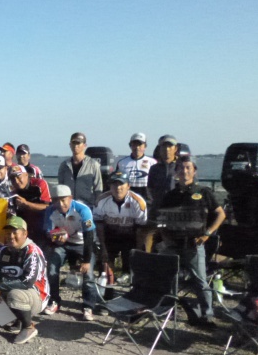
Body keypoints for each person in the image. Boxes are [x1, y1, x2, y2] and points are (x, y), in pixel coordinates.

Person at [159, 156, 226, 325]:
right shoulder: (170, 195)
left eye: (188, 167)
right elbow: (160, 218)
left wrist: (207, 233)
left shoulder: (204, 192)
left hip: (194, 245)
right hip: (173, 244)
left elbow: (220, 214)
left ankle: (207, 315)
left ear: (194, 171)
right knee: (168, 278)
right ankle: (167, 310)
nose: (184, 171)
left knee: (200, 281)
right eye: (180, 168)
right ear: (176, 172)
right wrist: (164, 235)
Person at [0, 217, 49, 345]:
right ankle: (16, 320)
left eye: (15, 232)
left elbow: (27, 282)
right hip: (9, 290)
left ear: (25, 234)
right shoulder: (3, 250)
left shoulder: (32, 251)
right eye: (8, 233)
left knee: (15, 296)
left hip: (36, 295)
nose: (11, 236)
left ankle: (28, 327)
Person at [42, 184, 99, 321]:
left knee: (89, 274)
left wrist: (86, 261)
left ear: (70, 198)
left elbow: (89, 236)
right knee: (51, 269)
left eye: (63, 200)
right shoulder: (50, 211)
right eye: (56, 200)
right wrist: (55, 238)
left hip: (82, 243)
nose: (60, 204)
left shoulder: (83, 210)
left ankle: (88, 306)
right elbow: (48, 233)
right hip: (64, 244)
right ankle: (54, 300)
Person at [93, 171, 147, 281]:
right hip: (110, 236)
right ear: (109, 186)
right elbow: (99, 225)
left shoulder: (138, 202)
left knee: (135, 268)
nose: (118, 188)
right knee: (105, 274)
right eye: (114, 184)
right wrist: (103, 248)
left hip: (130, 236)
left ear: (128, 186)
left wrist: (137, 251)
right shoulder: (101, 200)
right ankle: (107, 280)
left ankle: (129, 272)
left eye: (121, 184)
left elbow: (141, 229)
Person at [146, 135, 180, 252]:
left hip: (177, 216)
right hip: (157, 215)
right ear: (159, 149)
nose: (167, 149)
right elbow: (150, 191)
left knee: (174, 246)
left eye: (170, 146)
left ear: (175, 148)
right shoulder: (154, 169)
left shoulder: (182, 167)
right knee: (153, 246)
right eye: (164, 146)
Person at [57, 132, 103, 210]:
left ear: (84, 145)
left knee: (87, 223)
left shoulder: (93, 165)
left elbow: (98, 188)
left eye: (78, 143)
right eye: (73, 143)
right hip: (68, 207)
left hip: (87, 207)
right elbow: (60, 187)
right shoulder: (64, 165)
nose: (75, 145)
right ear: (70, 145)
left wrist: (97, 206)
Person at [8, 164, 50, 241]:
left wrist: (26, 204)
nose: (16, 181)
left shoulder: (39, 184)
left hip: (42, 225)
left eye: (18, 177)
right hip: (24, 229)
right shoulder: (13, 192)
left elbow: (49, 207)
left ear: (26, 175)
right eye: (13, 179)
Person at [116, 133, 156, 200]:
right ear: (130, 146)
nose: (137, 147)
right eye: (134, 144)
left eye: (140, 144)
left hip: (147, 196)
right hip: (128, 196)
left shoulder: (152, 162)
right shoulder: (122, 163)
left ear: (145, 146)